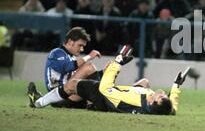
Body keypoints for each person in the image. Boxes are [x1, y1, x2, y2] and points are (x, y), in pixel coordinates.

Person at [29, 46, 189, 115]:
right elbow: (172, 109)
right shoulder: (159, 108)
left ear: (152, 103)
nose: (162, 94)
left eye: (161, 98)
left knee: (72, 85)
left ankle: (39, 102)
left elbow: (105, 89)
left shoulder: (134, 99)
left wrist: (117, 63)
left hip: (104, 99)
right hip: (118, 97)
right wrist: (176, 86)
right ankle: (72, 101)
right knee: (145, 82)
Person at [27, 27, 101, 108]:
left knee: (94, 74)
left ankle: (92, 104)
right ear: (70, 42)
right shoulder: (56, 53)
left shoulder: (72, 57)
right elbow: (67, 67)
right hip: (60, 97)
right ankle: (95, 103)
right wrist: (89, 56)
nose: (82, 49)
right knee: (89, 67)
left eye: (83, 46)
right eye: (80, 45)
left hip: (71, 95)